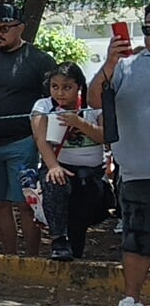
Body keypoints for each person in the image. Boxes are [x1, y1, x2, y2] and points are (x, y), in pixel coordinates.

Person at [0, 3, 56, 256]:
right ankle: (9, 257)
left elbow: (53, 101)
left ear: (21, 28)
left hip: (22, 141)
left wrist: (42, 140)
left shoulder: (39, 60)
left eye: (5, 28)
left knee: (24, 202)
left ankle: (32, 259)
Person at [91, 13, 150, 306]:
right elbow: (93, 98)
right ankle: (131, 301)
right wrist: (111, 63)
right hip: (137, 172)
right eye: (148, 27)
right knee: (136, 239)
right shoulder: (126, 66)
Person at [31, 62, 106, 261]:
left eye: (67, 87)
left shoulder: (93, 106)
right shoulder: (43, 105)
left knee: (81, 216)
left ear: (79, 86)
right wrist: (54, 166)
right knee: (55, 182)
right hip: (59, 165)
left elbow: (105, 136)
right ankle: (58, 240)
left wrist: (79, 123)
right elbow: (40, 138)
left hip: (92, 172)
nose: (60, 93)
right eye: (55, 87)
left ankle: (75, 251)